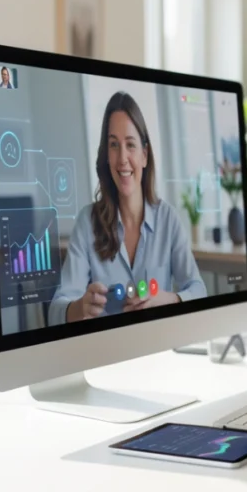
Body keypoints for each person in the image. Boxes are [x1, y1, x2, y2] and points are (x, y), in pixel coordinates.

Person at [48, 91, 206, 325]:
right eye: (114, 145)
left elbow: (198, 290)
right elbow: (55, 311)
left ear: (144, 155)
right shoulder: (87, 222)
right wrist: (80, 307)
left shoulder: (168, 219)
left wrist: (169, 299)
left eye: (130, 145)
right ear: (106, 155)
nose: (122, 158)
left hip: (158, 351)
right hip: (106, 353)